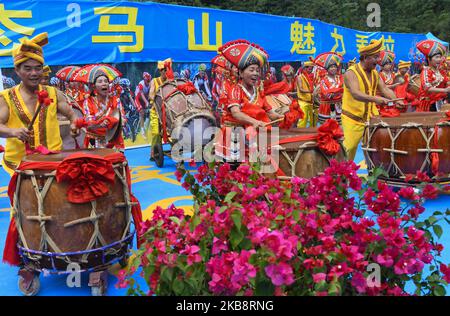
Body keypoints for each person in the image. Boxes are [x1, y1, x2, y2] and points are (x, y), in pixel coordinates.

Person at [0, 32, 79, 176]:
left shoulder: (54, 93)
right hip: (20, 164)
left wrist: (74, 125)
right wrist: (13, 132)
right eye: (27, 69)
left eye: (38, 68)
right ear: (17, 70)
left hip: (53, 160)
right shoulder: (6, 98)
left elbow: (71, 115)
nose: (34, 73)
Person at [341, 38, 400, 161]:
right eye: (375, 57)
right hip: (353, 118)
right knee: (349, 148)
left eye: (378, 57)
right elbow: (356, 93)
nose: (378, 61)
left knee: (376, 147)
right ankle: (343, 175)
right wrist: (376, 99)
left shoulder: (374, 73)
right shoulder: (350, 73)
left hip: (371, 118)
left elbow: (385, 89)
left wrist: (397, 100)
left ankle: (373, 174)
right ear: (366, 57)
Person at [219, 40, 284, 128]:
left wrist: (280, 117)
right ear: (241, 73)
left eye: (257, 70)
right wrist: (254, 122)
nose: (255, 73)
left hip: (255, 132)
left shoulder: (258, 91)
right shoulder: (236, 89)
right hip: (236, 134)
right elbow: (236, 113)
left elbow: (270, 113)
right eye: (251, 70)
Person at [81, 73, 124, 150]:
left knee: (118, 161)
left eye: (105, 81)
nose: (104, 83)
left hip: (114, 138)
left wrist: (113, 122)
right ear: (94, 86)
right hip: (95, 139)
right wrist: (100, 124)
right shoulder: (88, 102)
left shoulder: (115, 99)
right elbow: (88, 123)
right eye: (100, 81)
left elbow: (122, 119)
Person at [148, 58, 174, 160]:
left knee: (173, 130)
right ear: (160, 71)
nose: (165, 72)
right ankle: (154, 152)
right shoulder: (155, 81)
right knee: (155, 133)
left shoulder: (171, 81)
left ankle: (174, 149)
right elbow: (151, 94)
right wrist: (154, 96)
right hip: (156, 110)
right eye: (163, 70)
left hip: (168, 112)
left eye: (167, 70)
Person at [415, 40, 449, 112]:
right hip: (428, 104)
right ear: (429, 59)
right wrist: (444, 90)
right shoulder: (426, 71)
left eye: (440, 57)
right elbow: (427, 88)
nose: (439, 60)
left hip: (440, 102)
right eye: (436, 57)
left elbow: (447, 82)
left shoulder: (441, 71)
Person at [314, 52, 344, 125]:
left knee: (340, 126)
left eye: (335, 67)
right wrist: (338, 91)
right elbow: (326, 93)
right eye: (331, 67)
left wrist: (336, 92)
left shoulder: (340, 78)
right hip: (326, 107)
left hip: (338, 105)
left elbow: (343, 90)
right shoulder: (323, 80)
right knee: (326, 127)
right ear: (327, 69)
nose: (333, 68)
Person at [296, 61, 315, 127]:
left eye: (312, 69)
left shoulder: (311, 78)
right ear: (304, 68)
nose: (311, 71)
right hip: (303, 102)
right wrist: (311, 91)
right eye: (309, 69)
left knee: (312, 119)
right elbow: (301, 89)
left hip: (311, 101)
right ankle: (300, 134)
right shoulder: (299, 77)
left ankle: (311, 133)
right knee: (303, 118)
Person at [134, 72, 151, 139]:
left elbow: (150, 93)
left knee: (149, 112)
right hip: (138, 98)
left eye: (149, 80)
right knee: (142, 113)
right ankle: (142, 131)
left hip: (145, 98)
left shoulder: (150, 83)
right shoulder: (141, 84)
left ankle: (146, 127)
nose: (148, 82)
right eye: (147, 81)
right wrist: (146, 102)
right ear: (144, 80)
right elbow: (141, 94)